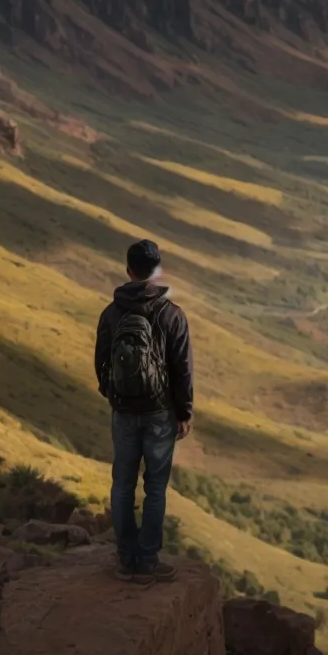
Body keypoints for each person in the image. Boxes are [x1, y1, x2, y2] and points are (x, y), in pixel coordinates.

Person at [94, 238, 193, 584]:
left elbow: (101, 362)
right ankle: (148, 562)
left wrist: (116, 398)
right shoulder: (172, 315)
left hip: (124, 412)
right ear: (157, 271)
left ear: (128, 270)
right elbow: (182, 369)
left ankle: (125, 561)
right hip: (160, 414)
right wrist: (184, 412)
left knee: (122, 484)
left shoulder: (111, 313)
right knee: (155, 488)